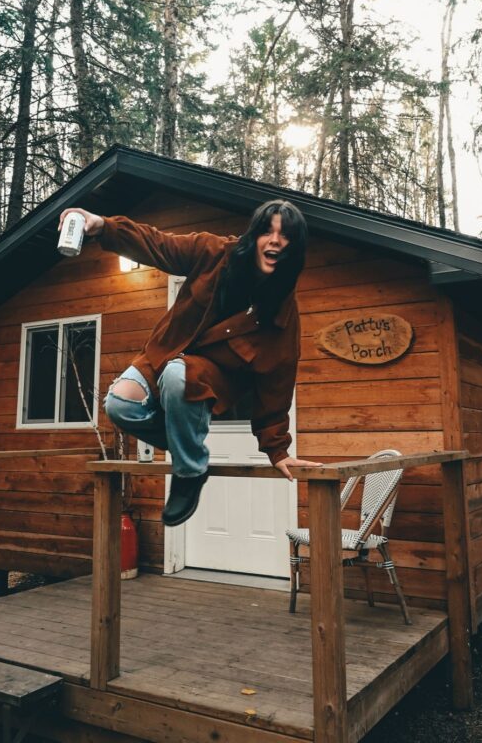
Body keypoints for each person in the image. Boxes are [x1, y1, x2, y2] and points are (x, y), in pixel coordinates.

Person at [57, 199, 321, 526]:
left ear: (294, 249)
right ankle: (191, 453)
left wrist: (277, 450)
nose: (275, 241)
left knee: (178, 375)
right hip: (166, 351)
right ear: (254, 236)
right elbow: (159, 244)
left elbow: (277, 384)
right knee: (119, 405)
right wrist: (104, 226)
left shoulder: (280, 314)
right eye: (268, 231)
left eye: (285, 236)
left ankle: (190, 471)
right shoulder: (213, 253)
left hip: (212, 377)